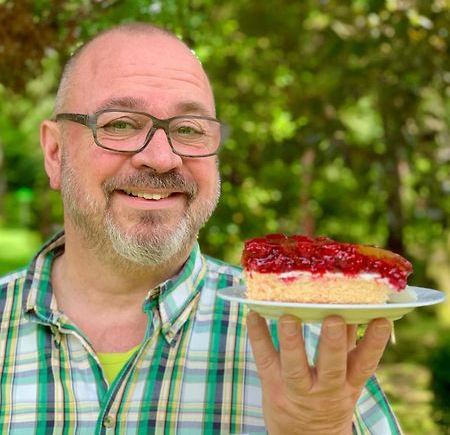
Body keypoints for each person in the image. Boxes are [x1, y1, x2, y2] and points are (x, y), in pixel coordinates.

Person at [0, 22, 400, 434]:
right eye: (120, 124)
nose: (161, 157)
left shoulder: (308, 351)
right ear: (54, 152)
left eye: (188, 130)